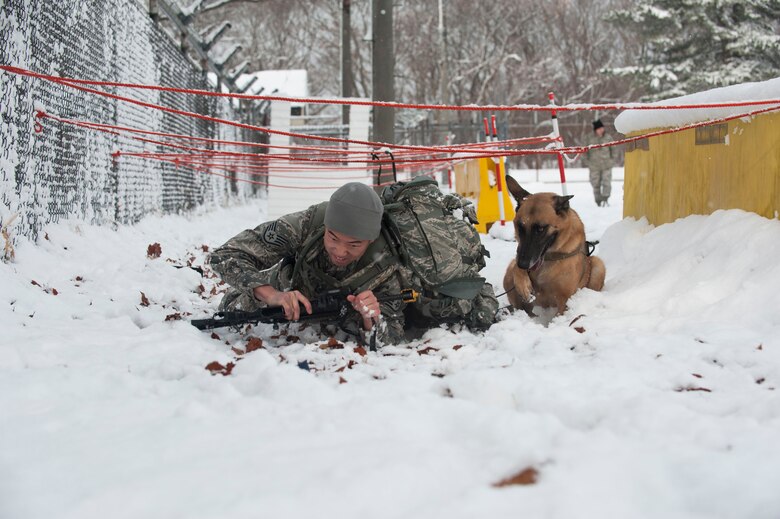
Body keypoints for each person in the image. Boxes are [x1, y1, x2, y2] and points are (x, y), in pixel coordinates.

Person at [208, 182, 405, 345]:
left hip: (340, 321)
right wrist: (272, 295)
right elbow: (226, 255)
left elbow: (390, 338)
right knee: (231, 309)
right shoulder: (307, 224)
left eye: (354, 244)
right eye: (333, 238)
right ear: (325, 226)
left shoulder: (384, 260)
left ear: (370, 240)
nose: (340, 251)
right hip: (287, 290)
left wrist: (370, 317)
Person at [583, 119, 615, 207]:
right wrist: (588, 162)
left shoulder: (608, 137)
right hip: (594, 166)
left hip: (606, 165)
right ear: (595, 129)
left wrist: (612, 160)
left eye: (602, 128)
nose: (601, 130)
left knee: (606, 183)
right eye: (599, 128)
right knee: (595, 184)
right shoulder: (589, 138)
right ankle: (598, 201)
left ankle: (605, 199)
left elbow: (614, 149)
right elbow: (584, 151)